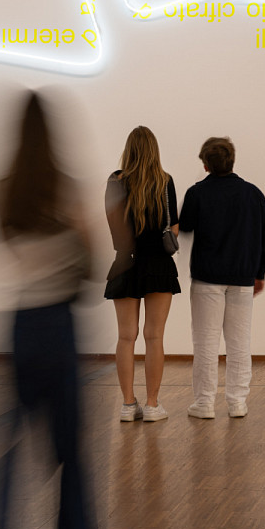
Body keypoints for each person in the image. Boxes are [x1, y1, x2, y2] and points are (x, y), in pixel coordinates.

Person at [0, 91, 96, 529]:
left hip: (19, 325)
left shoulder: (3, 192)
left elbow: (6, 249)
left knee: (9, 446)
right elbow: (90, 266)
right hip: (58, 325)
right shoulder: (66, 189)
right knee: (70, 448)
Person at [179, 136, 265, 418]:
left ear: (205, 165)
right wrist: (260, 272)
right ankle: (237, 402)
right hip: (243, 277)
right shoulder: (253, 194)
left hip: (207, 278)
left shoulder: (197, 193)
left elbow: (185, 227)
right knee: (239, 343)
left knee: (206, 344)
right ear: (232, 160)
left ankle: (204, 403)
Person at [104, 126, 180, 422]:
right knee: (154, 336)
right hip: (158, 264)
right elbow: (173, 227)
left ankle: (127, 405)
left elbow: (112, 223)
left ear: (129, 150)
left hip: (125, 263)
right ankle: (151, 405)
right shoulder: (164, 181)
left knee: (126, 337)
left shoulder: (115, 181)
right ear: (154, 150)